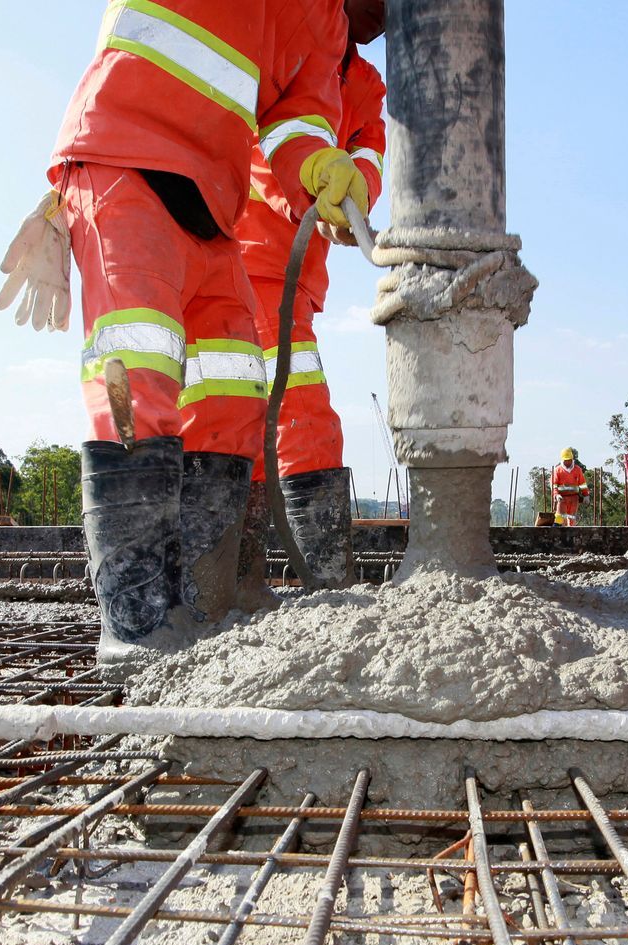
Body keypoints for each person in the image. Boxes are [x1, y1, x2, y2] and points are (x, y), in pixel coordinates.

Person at [0, 0, 360, 659]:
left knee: (233, 394)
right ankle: (134, 624)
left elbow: (292, 121)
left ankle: (197, 605)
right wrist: (60, 198)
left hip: (215, 202)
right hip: (124, 151)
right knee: (134, 374)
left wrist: (316, 168)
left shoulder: (326, 19)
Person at [237, 0, 387, 590]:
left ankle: (257, 586)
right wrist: (308, 198)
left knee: (256, 419)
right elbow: (263, 150)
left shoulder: (366, 86)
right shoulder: (288, 37)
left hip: (294, 282)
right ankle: (294, 585)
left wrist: (355, 200)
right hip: (245, 261)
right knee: (293, 420)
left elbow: (369, 157)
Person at [551, 447, 587, 527]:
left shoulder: (577, 470)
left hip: (574, 498)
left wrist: (586, 495)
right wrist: (556, 495)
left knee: (572, 518)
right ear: (562, 460)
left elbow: (582, 484)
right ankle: (559, 535)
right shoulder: (558, 470)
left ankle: (571, 534)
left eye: (569, 460)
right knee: (560, 518)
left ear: (572, 459)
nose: (568, 462)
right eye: (566, 460)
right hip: (562, 498)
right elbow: (554, 485)